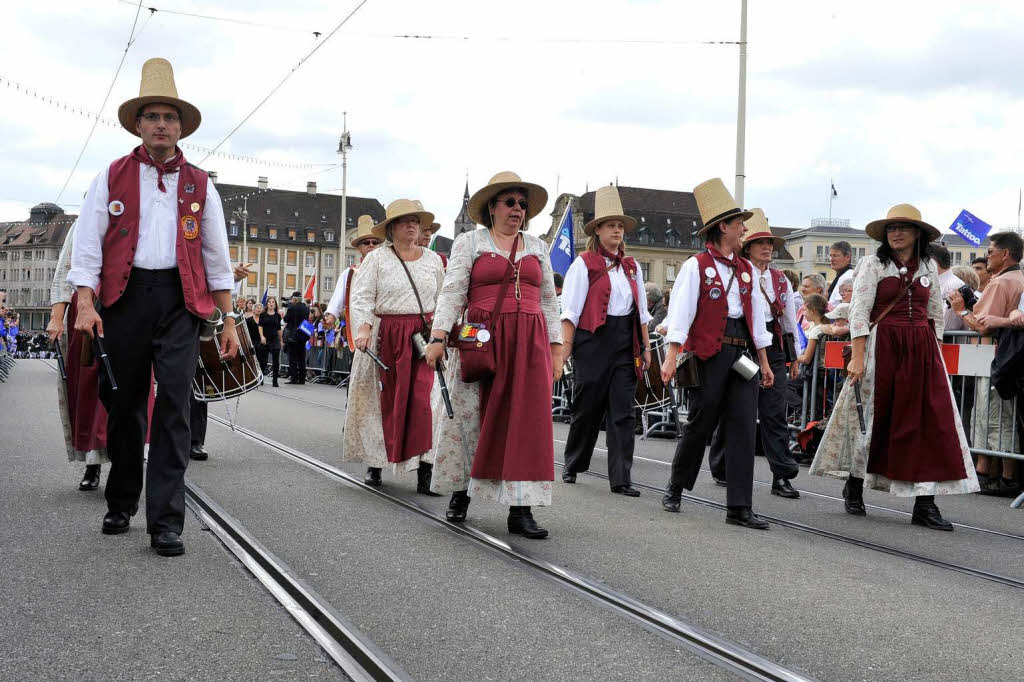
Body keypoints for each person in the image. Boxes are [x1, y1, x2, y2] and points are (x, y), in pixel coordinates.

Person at [67, 58, 237, 557]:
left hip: (181, 303)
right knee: (123, 403)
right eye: (152, 117)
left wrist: (227, 321)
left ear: (181, 128)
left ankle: (166, 520)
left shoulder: (201, 184)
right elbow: (88, 246)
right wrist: (84, 301)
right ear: (138, 125)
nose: (161, 125)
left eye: (169, 117)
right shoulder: (112, 176)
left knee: (174, 408)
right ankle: (121, 499)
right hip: (122, 299)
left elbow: (216, 256)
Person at [810, 204, 979, 530]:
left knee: (928, 423)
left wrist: (937, 354)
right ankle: (856, 483)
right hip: (881, 346)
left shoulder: (928, 265)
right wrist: (858, 358)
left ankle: (925, 504)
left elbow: (936, 315)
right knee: (874, 418)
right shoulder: (873, 264)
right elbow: (859, 313)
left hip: (922, 350)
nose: (896, 232)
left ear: (918, 233)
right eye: (891, 228)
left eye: (903, 227)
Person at [426, 171, 563, 538]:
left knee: (526, 425)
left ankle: (521, 509)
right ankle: (462, 492)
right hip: (482, 335)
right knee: (470, 416)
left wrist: (557, 349)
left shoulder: (538, 247)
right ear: (492, 207)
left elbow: (549, 302)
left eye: (522, 204)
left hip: (529, 341)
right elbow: (453, 291)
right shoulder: (470, 242)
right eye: (510, 202)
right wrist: (439, 335)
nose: (517, 209)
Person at [659, 178, 774, 529]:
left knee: (743, 427)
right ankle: (676, 486)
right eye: (739, 223)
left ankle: (739, 507)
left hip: (743, 356)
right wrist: (670, 356)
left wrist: (765, 363)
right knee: (701, 424)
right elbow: (680, 315)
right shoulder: (696, 266)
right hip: (710, 353)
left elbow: (757, 320)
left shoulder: (747, 270)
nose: (744, 228)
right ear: (723, 226)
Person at [345, 199, 445, 493]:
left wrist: (443, 334)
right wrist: (363, 327)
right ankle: (375, 463)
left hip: (423, 337)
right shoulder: (376, 259)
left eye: (416, 221)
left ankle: (425, 472)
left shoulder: (433, 260)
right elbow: (361, 296)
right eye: (405, 221)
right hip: (384, 335)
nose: (413, 226)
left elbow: (444, 299)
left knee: (428, 403)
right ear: (391, 229)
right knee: (380, 402)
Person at [559, 185, 652, 496]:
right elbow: (570, 312)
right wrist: (566, 350)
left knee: (624, 412)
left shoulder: (632, 266)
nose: (617, 231)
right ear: (597, 230)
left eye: (620, 226)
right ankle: (573, 462)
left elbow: (641, 312)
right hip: (593, 342)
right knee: (587, 407)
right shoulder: (583, 264)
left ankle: (621, 478)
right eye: (611, 225)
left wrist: (647, 347)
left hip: (625, 342)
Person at [709, 210, 801, 499]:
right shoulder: (738, 272)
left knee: (775, 412)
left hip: (772, 348)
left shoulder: (781, 280)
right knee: (734, 410)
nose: (767, 249)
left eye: (770, 244)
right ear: (748, 246)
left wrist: (794, 357)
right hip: (742, 346)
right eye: (761, 243)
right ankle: (722, 465)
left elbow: (788, 321)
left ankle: (782, 475)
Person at [953, 231, 1024, 496]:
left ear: (1005, 254)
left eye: (990, 252)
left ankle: (999, 476)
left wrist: (961, 308)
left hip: (992, 358)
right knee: (1000, 415)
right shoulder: (1019, 278)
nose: (986, 256)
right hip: (1007, 358)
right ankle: (996, 472)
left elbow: (982, 326)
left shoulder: (1000, 283)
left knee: (991, 416)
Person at [325, 215, 382, 349]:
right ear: (359, 248)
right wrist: (331, 316)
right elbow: (338, 299)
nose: (371, 245)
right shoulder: (350, 273)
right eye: (366, 243)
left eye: (375, 242)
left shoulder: (388, 270)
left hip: (384, 328)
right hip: (360, 330)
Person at [930, 244, 968, 332]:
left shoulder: (953, 285)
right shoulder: (935, 283)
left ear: (932, 263)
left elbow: (947, 325)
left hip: (945, 342)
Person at [283, 291, 309, 384]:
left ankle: (294, 378)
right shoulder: (306, 308)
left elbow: (285, 319)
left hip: (293, 336)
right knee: (302, 357)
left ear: (294, 299)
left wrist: (288, 309)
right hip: (303, 335)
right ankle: (302, 378)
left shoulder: (291, 308)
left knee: (292, 358)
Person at [258, 296, 283, 386]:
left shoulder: (278, 315)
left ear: (275, 305)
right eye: (270, 302)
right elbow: (260, 326)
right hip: (265, 339)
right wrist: (262, 337)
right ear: (267, 304)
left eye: (273, 302)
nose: (271, 303)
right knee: (263, 361)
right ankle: (261, 378)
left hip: (275, 339)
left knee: (276, 361)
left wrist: (281, 340)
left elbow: (279, 328)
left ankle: (275, 381)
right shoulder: (263, 315)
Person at [827, 241, 854, 306]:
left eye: (835, 256)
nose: (831, 259)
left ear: (848, 257)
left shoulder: (847, 276)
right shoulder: (843, 276)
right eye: (830, 256)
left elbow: (841, 305)